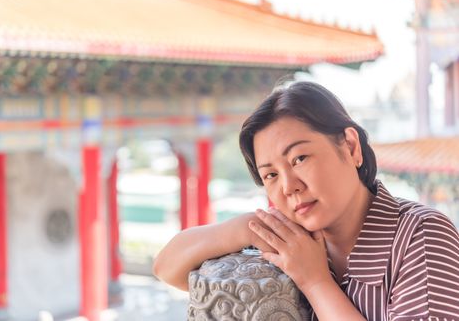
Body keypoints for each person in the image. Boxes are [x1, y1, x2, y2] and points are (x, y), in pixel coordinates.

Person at [153, 81, 459, 320]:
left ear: (351, 147)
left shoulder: (421, 235)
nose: (289, 186)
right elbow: (168, 268)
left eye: (299, 158)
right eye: (270, 175)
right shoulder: (291, 241)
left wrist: (315, 282)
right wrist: (251, 228)